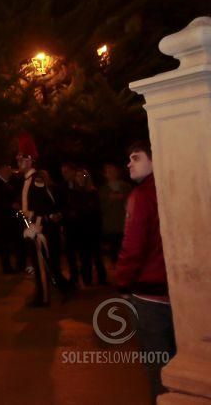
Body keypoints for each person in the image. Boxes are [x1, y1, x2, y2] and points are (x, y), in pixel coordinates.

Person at [115, 140, 175, 402]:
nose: (129, 163)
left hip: (149, 294)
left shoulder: (140, 196)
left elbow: (133, 246)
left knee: (157, 365)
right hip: (178, 291)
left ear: (154, 159)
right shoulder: (175, 188)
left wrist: (122, 283)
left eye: (136, 157)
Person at [21, 158, 71, 307]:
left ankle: (43, 297)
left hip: (42, 230)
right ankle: (65, 288)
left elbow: (35, 211)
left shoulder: (40, 187)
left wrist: (46, 218)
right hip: (49, 230)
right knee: (52, 264)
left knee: (42, 265)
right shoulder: (54, 189)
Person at [0, 165, 26, 274]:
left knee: (16, 243)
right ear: (2, 172)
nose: (10, 173)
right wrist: (10, 205)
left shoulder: (8, 184)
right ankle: (7, 267)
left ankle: (18, 265)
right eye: (8, 171)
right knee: (5, 245)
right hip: (4, 219)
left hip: (11, 218)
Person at [99, 162, 131, 262]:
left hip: (126, 225)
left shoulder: (126, 187)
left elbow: (133, 204)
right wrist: (110, 200)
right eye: (108, 171)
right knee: (115, 255)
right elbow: (100, 208)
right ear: (105, 174)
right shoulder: (102, 190)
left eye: (112, 170)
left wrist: (124, 199)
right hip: (111, 227)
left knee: (128, 254)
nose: (111, 173)